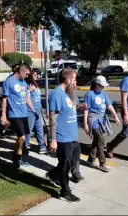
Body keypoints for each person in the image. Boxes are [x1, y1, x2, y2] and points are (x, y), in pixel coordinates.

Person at [46, 69, 81, 202]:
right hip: (62, 137)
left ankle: (54, 174)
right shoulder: (56, 94)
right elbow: (53, 119)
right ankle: (65, 191)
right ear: (67, 80)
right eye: (74, 79)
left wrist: (80, 106)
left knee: (73, 159)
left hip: (72, 136)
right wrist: (53, 139)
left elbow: (70, 109)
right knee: (65, 164)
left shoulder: (71, 93)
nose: (75, 82)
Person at [0, 64, 38, 168]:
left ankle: (17, 156)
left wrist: (33, 111)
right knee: (21, 136)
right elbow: (4, 99)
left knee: (23, 137)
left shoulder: (24, 83)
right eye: (26, 74)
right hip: (14, 114)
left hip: (24, 113)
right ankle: (18, 157)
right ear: (20, 71)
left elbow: (27, 98)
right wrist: (3, 115)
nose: (27, 76)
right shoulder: (9, 81)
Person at [83, 76, 120, 172]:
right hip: (93, 120)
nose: (103, 87)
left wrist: (115, 116)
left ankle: (91, 159)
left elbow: (109, 105)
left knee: (96, 140)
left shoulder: (104, 93)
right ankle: (102, 163)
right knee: (101, 140)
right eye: (101, 85)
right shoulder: (89, 94)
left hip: (102, 120)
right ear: (97, 84)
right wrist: (85, 123)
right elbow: (86, 109)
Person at [23, 68, 48, 154]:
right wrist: (29, 90)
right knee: (28, 130)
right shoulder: (26, 84)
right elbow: (23, 95)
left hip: (38, 110)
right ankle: (24, 146)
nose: (37, 76)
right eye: (35, 74)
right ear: (30, 75)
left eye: (38, 74)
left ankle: (42, 146)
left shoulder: (35, 84)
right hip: (30, 110)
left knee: (39, 128)